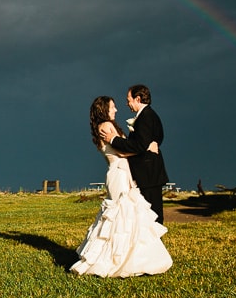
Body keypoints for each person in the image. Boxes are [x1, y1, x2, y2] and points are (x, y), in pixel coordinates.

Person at [71, 96, 172, 277]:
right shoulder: (106, 127)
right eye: (113, 107)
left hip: (123, 172)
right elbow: (123, 151)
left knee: (128, 214)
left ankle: (131, 256)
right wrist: (147, 148)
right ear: (104, 109)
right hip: (118, 174)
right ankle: (113, 259)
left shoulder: (109, 126)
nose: (116, 110)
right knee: (120, 214)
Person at [100, 84, 169, 224]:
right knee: (150, 213)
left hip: (148, 174)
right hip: (150, 173)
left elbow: (138, 145)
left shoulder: (145, 117)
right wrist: (152, 143)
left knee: (152, 215)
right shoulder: (149, 114)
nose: (127, 104)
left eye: (128, 100)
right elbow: (158, 135)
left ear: (137, 99)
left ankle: (153, 244)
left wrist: (113, 139)